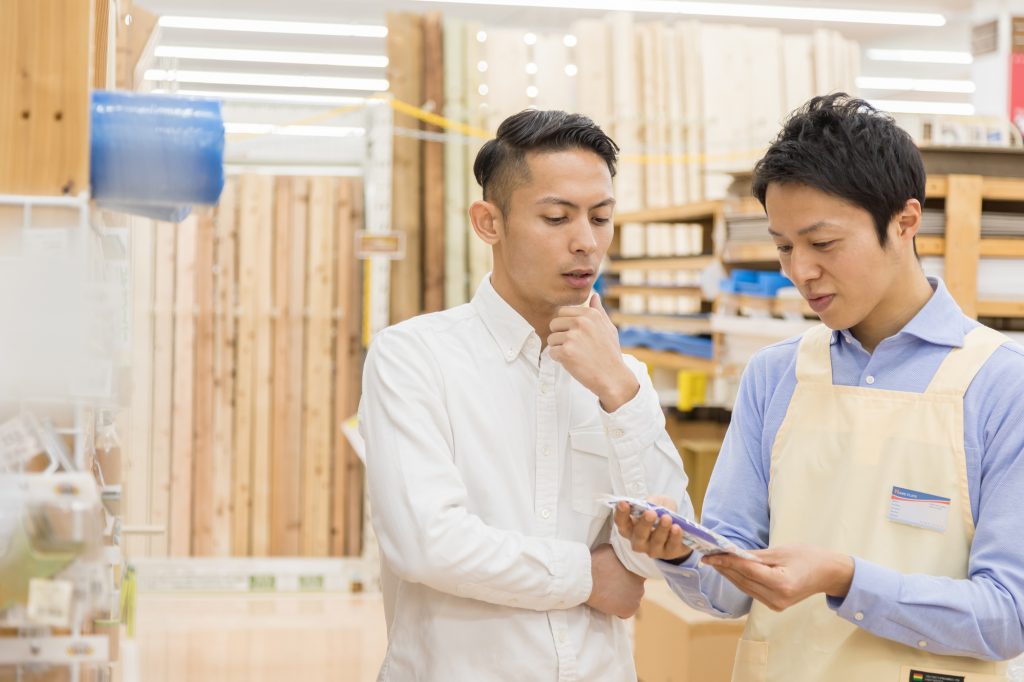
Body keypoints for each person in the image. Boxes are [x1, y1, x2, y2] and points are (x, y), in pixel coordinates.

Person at [615, 93, 1024, 681]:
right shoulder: (774, 375)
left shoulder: (1001, 383)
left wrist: (846, 579)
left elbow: (1008, 615)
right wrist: (682, 550)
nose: (799, 272)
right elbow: (728, 593)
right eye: (784, 247)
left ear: (905, 221)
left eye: (822, 243)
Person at [359, 109, 691, 681]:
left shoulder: (622, 377)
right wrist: (589, 576)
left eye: (602, 217)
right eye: (557, 217)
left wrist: (617, 389)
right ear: (489, 223)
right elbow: (426, 542)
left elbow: (661, 544)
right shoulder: (413, 357)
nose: (586, 242)